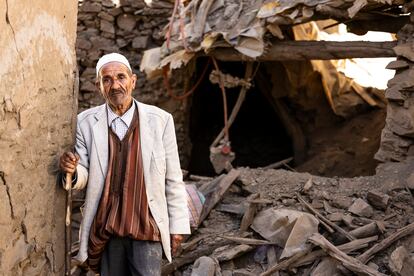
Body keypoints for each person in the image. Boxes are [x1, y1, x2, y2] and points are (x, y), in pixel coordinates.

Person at [59, 53, 190, 275]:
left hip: (147, 228)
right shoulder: (86, 122)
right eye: (107, 79)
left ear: (133, 81)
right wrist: (72, 171)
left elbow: (173, 179)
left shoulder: (160, 120)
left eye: (121, 77)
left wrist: (177, 226)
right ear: (98, 85)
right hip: (107, 229)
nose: (115, 85)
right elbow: (84, 173)